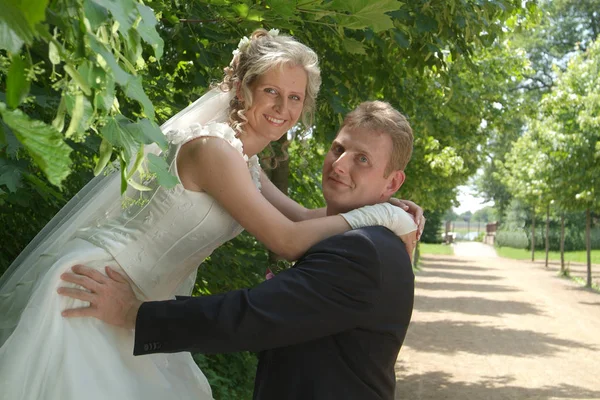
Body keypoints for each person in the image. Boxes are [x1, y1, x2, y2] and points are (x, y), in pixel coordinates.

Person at [0, 30, 421, 399]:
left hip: (141, 302)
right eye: (271, 91)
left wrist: (383, 209)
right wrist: (383, 216)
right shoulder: (213, 151)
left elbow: (302, 219)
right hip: (99, 284)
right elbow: (286, 241)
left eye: (295, 97)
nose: (283, 107)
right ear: (242, 89)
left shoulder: (244, 162)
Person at [60, 100, 416, 400]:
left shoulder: (363, 251)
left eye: (362, 159)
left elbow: (252, 315)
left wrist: (134, 314)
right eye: (338, 148)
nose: (339, 165)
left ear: (392, 182)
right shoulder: (360, 237)